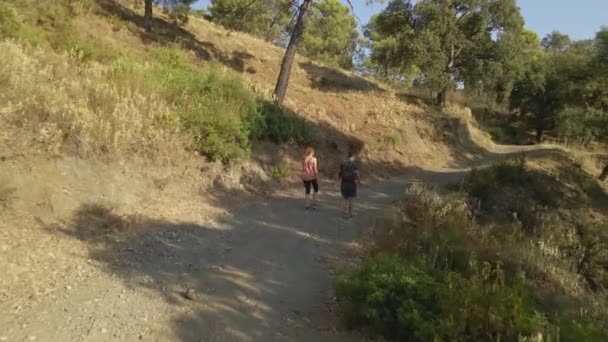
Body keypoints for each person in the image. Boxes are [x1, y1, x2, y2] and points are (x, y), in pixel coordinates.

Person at [338, 151, 360, 219]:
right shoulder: (355, 165)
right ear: (353, 157)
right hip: (352, 183)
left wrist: (337, 180)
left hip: (344, 183)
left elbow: (339, 173)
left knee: (345, 199)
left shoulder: (343, 164)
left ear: (348, 156)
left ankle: (345, 214)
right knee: (351, 200)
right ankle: (350, 214)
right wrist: (359, 181)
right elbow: (357, 174)